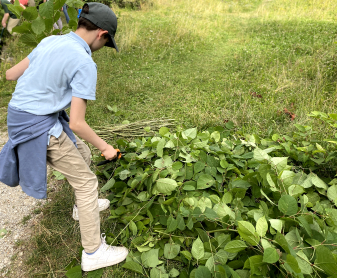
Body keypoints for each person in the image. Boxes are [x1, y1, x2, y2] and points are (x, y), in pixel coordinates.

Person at [1, 2, 128, 272]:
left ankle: (82, 210)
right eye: (106, 43)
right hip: (37, 125)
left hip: (18, 116)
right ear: (101, 33)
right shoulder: (84, 62)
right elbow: (79, 123)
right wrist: (107, 147)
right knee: (86, 183)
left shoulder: (51, 41)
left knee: (81, 154)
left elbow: (11, 74)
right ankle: (94, 252)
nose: (102, 49)